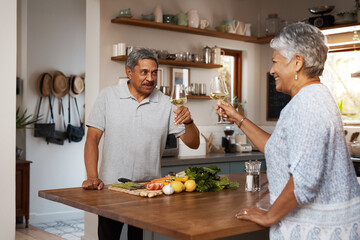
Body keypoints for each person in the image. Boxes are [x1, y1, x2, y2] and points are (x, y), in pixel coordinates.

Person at [217, 22, 360, 239]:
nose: (271, 70)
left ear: (297, 63)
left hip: (320, 230)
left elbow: (304, 180)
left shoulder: (308, 104)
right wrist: (238, 118)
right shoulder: (311, 98)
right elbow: (276, 148)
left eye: (275, 62)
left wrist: (269, 216)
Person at [81, 48, 200, 240]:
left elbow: (193, 143)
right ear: (129, 72)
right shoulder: (108, 96)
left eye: (154, 73)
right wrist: (92, 177)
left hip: (149, 192)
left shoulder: (166, 104)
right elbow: (92, 138)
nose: (150, 78)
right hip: (111, 189)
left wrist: (189, 121)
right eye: (144, 72)